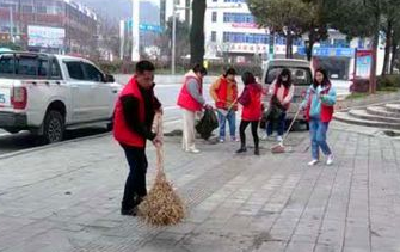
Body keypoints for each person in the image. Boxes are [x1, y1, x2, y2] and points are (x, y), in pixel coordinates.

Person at [113, 60, 162, 216]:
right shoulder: (129, 95)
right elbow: (133, 123)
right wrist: (152, 136)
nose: (150, 82)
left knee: (142, 165)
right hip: (128, 134)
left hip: (138, 134)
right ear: (137, 76)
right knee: (136, 169)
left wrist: (157, 104)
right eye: (146, 79)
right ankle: (127, 206)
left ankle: (141, 197)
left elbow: (149, 100)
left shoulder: (145, 87)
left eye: (152, 78)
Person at [302, 68, 337, 166]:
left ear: (324, 75)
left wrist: (324, 97)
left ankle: (329, 154)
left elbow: (333, 100)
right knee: (313, 138)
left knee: (320, 138)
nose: (318, 77)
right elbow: (306, 99)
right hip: (312, 116)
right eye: (316, 75)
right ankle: (315, 157)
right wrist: (303, 105)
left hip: (323, 116)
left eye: (320, 75)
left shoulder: (329, 88)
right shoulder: (311, 88)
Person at [177, 63, 207, 154]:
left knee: (187, 126)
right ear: (198, 73)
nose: (202, 77)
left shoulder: (190, 79)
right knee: (190, 127)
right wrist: (202, 101)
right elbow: (195, 95)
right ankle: (191, 146)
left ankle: (186, 146)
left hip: (188, 105)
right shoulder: (193, 81)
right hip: (189, 105)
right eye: (202, 74)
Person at [265, 68, 295, 143]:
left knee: (281, 120)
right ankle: (268, 133)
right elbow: (271, 89)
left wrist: (284, 101)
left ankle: (279, 135)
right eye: (283, 76)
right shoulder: (276, 82)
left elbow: (290, 95)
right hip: (274, 104)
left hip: (283, 105)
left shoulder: (291, 85)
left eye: (286, 77)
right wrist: (271, 92)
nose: (284, 78)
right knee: (270, 118)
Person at [236, 72, 262, 155]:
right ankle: (256, 148)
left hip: (248, 113)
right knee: (254, 132)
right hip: (256, 113)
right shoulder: (257, 87)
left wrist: (239, 99)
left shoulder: (248, 89)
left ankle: (243, 147)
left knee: (241, 129)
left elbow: (245, 101)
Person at [210, 67, 239, 142]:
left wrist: (235, 105)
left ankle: (232, 136)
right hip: (222, 106)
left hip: (231, 106)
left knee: (232, 123)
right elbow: (212, 89)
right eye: (231, 75)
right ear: (227, 75)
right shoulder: (220, 81)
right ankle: (222, 136)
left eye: (233, 75)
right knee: (222, 123)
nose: (232, 77)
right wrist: (217, 99)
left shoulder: (235, 83)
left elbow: (236, 94)